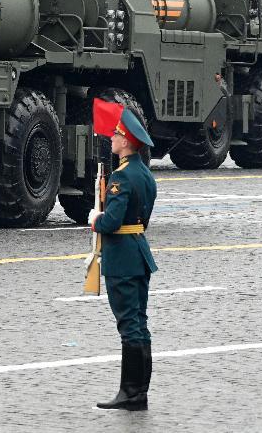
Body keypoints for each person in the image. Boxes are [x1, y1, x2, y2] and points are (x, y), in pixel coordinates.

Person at [88, 107, 158, 411]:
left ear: (127, 142)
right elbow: (143, 219)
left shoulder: (121, 177)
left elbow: (113, 221)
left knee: (129, 325)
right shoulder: (145, 175)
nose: (113, 137)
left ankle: (131, 394)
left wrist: (95, 219)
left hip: (123, 259)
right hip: (139, 252)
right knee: (139, 323)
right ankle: (137, 392)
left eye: (117, 134)